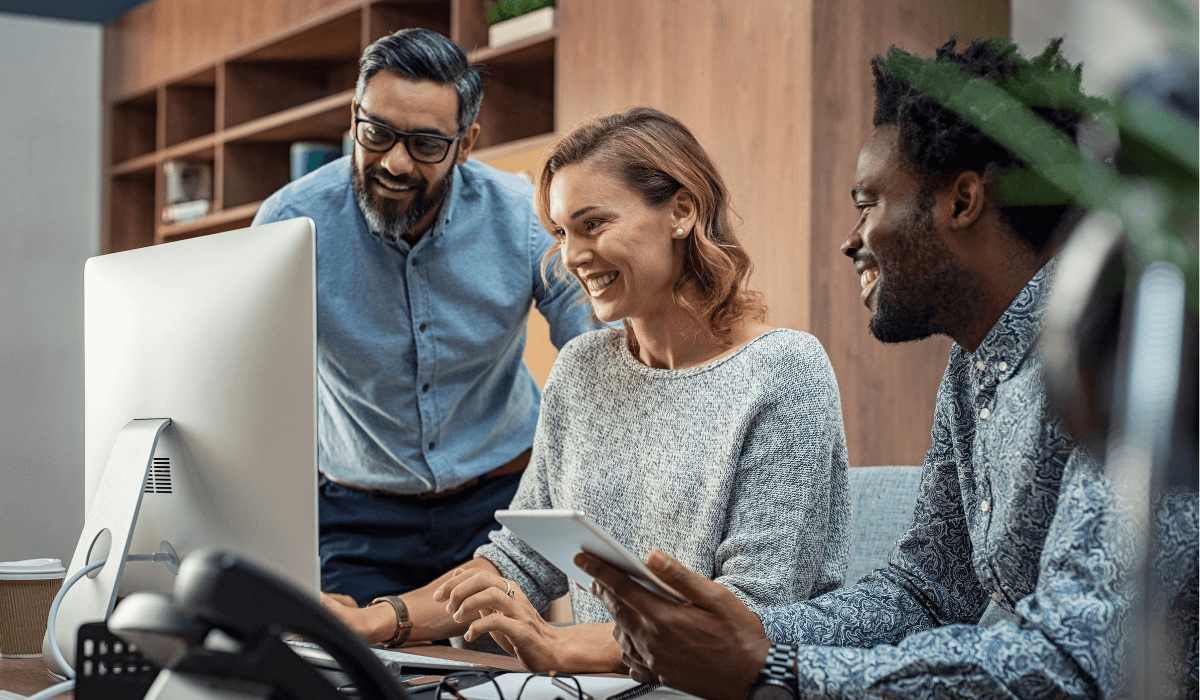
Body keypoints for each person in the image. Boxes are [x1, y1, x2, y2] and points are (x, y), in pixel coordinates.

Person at [577, 39, 1199, 699]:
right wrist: (748, 634)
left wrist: (775, 672)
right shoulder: (972, 368)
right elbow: (926, 593)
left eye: (868, 202)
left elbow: (1076, 662)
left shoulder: (1127, 348)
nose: (852, 238)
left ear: (962, 202)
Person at [322, 107, 851, 673]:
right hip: (607, 684)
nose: (571, 257)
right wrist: (380, 620)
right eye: (561, 233)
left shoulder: (785, 370)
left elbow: (751, 614)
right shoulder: (580, 369)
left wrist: (561, 646)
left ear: (681, 210)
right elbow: (518, 561)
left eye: (593, 224)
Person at [250, 28, 597, 605]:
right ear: (353, 115)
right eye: (377, 133)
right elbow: (248, 381)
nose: (394, 162)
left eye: (426, 145)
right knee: (358, 676)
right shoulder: (289, 225)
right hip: (358, 519)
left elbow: (596, 351)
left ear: (465, 144)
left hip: (502, 509)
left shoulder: (520, 218)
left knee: (500, 684)